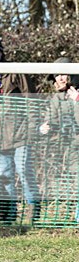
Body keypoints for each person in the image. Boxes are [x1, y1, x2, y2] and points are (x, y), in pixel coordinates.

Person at [0, 30, 42, 223]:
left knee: (24, 171)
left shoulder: (15, 71)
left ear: (1, 52)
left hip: (20, 133)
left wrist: (33, 126)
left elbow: (31, 99)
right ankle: (11, 214)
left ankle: (33, 211)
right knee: (5, 176)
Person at [38, 57, 79, 223]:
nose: (60, 78)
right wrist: (43, 128)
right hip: (73, 146)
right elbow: (52, 120)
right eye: (57, 75)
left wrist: (77, 100)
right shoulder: (56, 99)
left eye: (63, 74)